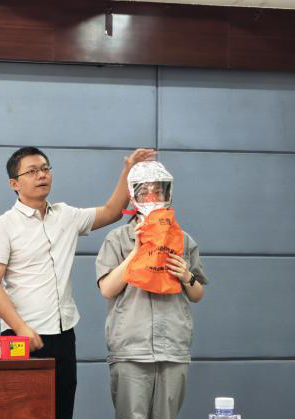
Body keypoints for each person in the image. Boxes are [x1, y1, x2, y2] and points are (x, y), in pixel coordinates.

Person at [0, 146, 155, 419]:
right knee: (24, 413)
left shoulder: (66, 215)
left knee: (62, 410)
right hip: (22, 337)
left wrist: (128, 170)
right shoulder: (1, 227)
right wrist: (21, 328)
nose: (42, 175)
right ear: (14, 184)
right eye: (32, 171)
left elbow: (112, 211)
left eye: (45, 169)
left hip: (63, 334)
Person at [95, 161, 208, 419]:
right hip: (131, 349)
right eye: (144, 191)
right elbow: (107, 289)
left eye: (158, 191)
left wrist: (186, 275)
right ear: (133, 196)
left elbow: (197, 294)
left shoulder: (183, 240)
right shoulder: (117, 239)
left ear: (168, 193)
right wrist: (137, 251)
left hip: (173, 347)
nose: (152, 197)